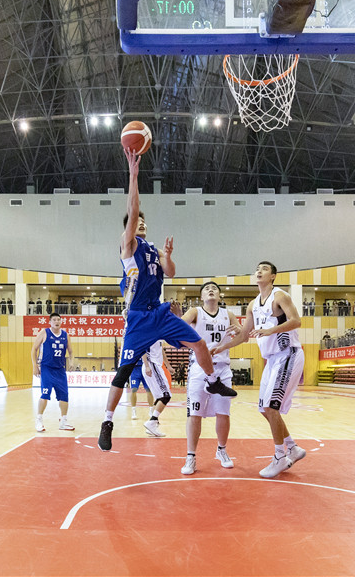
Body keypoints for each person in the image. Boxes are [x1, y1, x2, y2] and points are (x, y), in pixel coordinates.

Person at [97, 148, 235, 452]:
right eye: (137, 222)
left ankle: (212, 380)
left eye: (144, 222)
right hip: (138, 317)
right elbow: (133, 209)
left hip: (159, 314)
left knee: (199, 344)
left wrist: (168, 256)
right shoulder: (128, 245)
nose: (141, 223)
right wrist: (133, 175)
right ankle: (107, 422)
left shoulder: (154, 250)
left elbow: (170, 273)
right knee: (123, 371)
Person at [235, 261, 306, 479]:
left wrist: (271, 330)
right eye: (257, 268)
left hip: (288, 354)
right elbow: (244, 334)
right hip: (271, 360)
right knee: (264, 409)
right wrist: (219, 347)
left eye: (264, 269)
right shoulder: (253, 305)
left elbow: (296, 321)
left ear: (273, 276)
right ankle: (292, 448)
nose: (259, 271)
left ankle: (279, 458)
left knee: (271, 407)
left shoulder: (280, 296)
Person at [179, 281, 242, 475]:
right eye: (207, 289)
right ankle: (191, 456)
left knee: (223, 412)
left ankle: (221, 450)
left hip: (222, 368)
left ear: (220, 295)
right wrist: (197, 347)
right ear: (201, 297)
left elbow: (242, 335)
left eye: (214, 288)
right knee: (194, 413)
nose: (211, 290)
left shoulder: (228, 315)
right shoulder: (195, 312)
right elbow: (178, 328)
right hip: (199, 368)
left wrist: (237, 332)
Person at [31, 312, 73, 431]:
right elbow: (34, 349)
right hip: (46, 368)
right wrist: (35, 365)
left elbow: (71, 351)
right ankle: (39, 420)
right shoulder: (44, 333)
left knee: (64, 396)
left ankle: (63, 421)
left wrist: (71, 362)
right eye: (54, 320)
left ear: (61, 321)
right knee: (45, 394)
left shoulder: (65, 335)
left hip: (60, 370)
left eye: (58, 319)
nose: (56, 322)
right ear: (50, 322)